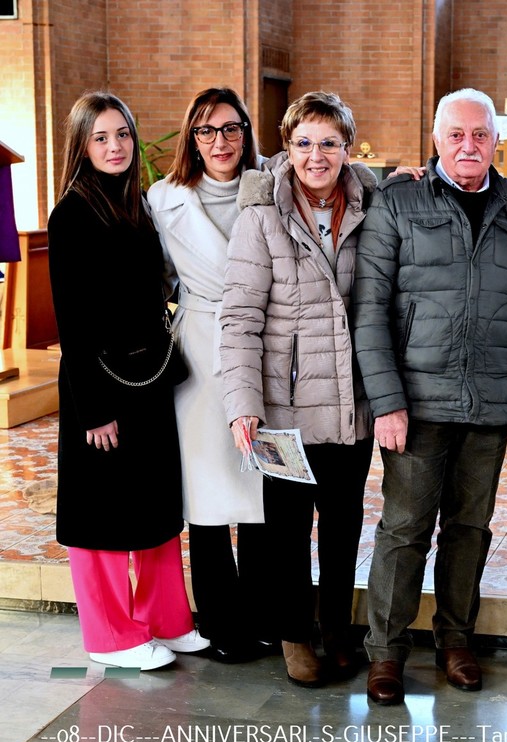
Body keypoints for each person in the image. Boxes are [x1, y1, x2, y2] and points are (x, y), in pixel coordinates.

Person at [352, 88, 507, 705]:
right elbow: (370, 309)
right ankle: (385, 651)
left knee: (470, 528)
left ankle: (457, 641)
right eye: (455, 134)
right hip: (417, 403)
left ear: (495, 139)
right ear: (435, 139)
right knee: (405, 529)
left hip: (488, 402)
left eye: (479, 134)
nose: (468, 146)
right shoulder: (398, 201)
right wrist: (387, 402)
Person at [219, 91, 377, 687]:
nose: (316, 156)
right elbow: (239, 318)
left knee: (343, 527)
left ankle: (335, 627)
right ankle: (293, 635)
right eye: (304, 143)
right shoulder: (261, 215)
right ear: (287, 147)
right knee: (286, 532)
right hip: (282, 411)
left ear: (347, 149)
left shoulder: (371, 206)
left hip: (349, 403)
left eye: (329, 144)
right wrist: (244, 406)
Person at [47, 91, 209, 670]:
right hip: (100, 384)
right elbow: (74, 319)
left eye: (122, 135)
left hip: (147, 376)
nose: (115, 147)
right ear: (82, 146)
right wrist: (93, 409)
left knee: (153, 504)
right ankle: (110, 636)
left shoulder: (137, 203)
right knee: (103, 517)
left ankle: (167, 620)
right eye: (101, 137)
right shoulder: (71, 214)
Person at [147, 87, 275, 664]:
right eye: (205, 130)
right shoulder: (164, 198)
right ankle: (221, 623)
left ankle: (265, 617)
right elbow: (159, 277)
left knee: (263, 488)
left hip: (266, 346)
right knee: (208, 492)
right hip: (200, 348)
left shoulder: (273, 186)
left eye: (229, 128)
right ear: (190, 138)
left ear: (246, 132)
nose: (219, 141)